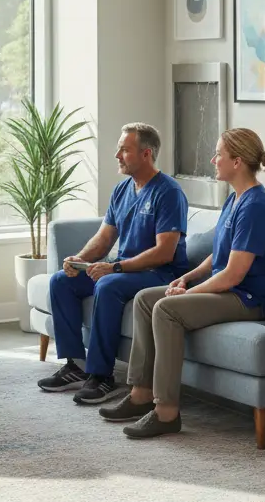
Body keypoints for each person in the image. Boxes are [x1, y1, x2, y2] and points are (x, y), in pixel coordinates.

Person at [101, 129, 265, 439]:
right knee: (147, 299)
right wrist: (187, 278)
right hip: (230, 289)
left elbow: (233, 275)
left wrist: (187, 293)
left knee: (167, 309)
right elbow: (218, 255)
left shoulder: (256, 207)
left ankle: (166, 411)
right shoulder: (235, 199)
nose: (213, 160)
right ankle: (140, 394)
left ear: (237, 162)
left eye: (219, 155)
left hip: (247, 297)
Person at [37, 123, 189, 406]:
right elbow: (105, 238)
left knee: (107, 284)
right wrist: (81, 259)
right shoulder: (122, 190)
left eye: (124, 149)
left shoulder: (169, 192)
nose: (117, 155)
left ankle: (102, 375)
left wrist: (116, 268)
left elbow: (165, 252)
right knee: (61, 280)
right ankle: (77, 366)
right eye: (119, 148)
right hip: (125, 269)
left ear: (146, 154)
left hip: (160, 274)